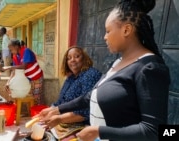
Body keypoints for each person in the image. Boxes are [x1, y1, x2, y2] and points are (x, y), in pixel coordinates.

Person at [39, 0, 171, 141]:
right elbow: (91, 96)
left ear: (126, 30)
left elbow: (154, 131)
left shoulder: (149, 68)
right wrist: (57, 110)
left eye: (108, 31)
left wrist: (99, 131)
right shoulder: (119, 62)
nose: (105, 37)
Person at [47, 47, 102, 140]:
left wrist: (58, 118)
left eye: (77, 56)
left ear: (84, 58)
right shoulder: (71, 77)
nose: (72, 60)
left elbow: (85, 113)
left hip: (84, 124)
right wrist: (49, 111)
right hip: (66, 120)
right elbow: (60, 102)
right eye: (69, 58)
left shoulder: (90, 75)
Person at [5, 39, 43, 105]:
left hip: (37, 77)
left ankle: (38, 113)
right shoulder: (15, 57)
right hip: (29, 79)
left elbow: (23, 66)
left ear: (16, 47)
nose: (11, 52)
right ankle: (33, 113)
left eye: (11, 50)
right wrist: (8, 82)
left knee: (36, 98)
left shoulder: (26, 51)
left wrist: (9, 67)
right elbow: (14, 71)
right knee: (31, 99)